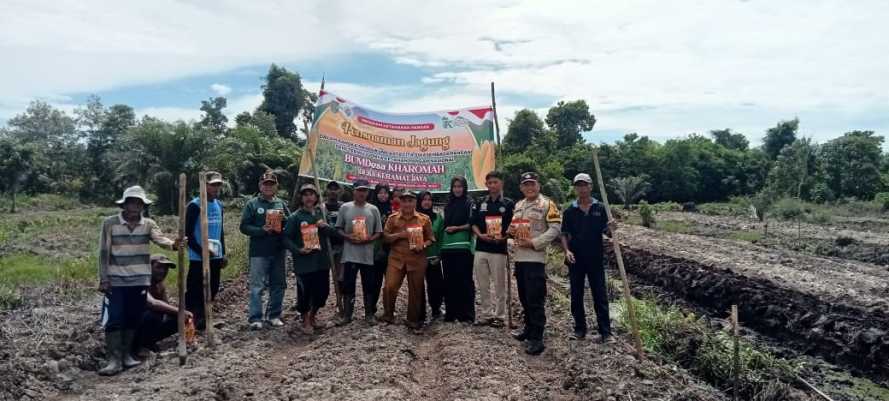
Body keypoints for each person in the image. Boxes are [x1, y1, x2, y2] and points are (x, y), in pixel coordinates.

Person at [97, 186, 179, 376]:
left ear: (143, 206)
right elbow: (103, 252)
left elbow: (160, 240)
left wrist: (174, 245)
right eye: (131, 202)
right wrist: (103, 278)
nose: (135, 206)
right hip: (116, 280)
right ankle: (113, 359)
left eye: (139, 203)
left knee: (132, 317)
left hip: (139, 280)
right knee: (115, 319)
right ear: (124, 204)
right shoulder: (109, 223)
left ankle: (127, 355)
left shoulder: (149, 224)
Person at [508, 172, 562, 355]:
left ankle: (537, 338)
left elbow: (555, 229)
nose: (529, 187)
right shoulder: (519, 205)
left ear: (538, 185)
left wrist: (534, 242)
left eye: (532, 184)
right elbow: (513, 228)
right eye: (526, 184)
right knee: (524, 298)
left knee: (535, 300)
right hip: (520, 259)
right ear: (521, 187)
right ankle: (528, 330)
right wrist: (510, 231)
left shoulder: (547, 204)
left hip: (535, 259)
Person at [561, 173, 616, 343]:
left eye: (584, 185)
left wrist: (612, 229)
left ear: (591, 186)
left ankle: (606, 332)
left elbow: (607, 231)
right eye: (578, 185)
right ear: (575, 188)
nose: (581, 188)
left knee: (600, 294)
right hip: (576, 258)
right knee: (576, 294)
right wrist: (566, 251)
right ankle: (579, 329)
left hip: (595, 257)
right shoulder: (570, 210)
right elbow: (564, 233)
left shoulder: (600, 208)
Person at [283, 184, 337, 335]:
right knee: (305, 293)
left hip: (322, 261)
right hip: (305, 263)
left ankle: (313, 316)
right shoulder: (295, 217)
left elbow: (332, 232)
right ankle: (305, 320)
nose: (308, 197)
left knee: (323, 292)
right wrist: (298, 250)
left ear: (316, 197)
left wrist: (324, 225)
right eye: (305, 194)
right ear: (301, 198)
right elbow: (286, 238)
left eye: (311, 194)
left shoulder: (322, 214)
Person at [240, 172, 289, 330]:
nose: (268, 187)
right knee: (257, 286)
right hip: (258, 252)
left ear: (276, 187)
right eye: (265, 184)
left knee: (279, 284)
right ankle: (255, 318)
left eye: (271, 184)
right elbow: (244, 227)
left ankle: (274, 315)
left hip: (278, 250)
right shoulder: (252, 204)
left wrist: (283, 222)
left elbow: (290, 222)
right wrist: (261, 230)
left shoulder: (280, 204)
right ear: (260, 186)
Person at [380, 191, 434, 331]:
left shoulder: (424, 219)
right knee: (390, 286)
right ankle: (388, 314)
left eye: (410, 201)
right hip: (396, 258)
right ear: (400, 202)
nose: (407, 204)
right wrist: (399, 235)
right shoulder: (393, 219)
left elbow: (431, 239)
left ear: (415, 202)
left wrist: (423, 245)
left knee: (416, 290)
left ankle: (413, 319)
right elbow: (385, 237)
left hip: (417, 259)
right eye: (404, 201)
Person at [335, 179, 384, 325]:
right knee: (348, 284)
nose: (362, 193)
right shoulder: (345, 208)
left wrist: (369, 239)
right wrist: (348, 236)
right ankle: (347, 315)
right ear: (353, 191)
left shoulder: (373, 209)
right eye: (359, 190)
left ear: (368, 192)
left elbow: (379, 232)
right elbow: (338, 228)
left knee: (369, 284)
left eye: (364, 190)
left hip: (367, 254)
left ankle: (369, 314)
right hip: (350, 253)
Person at [470, 171, 514, 327]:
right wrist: (480, 236)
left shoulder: (508, 204)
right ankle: (487, 314)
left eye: (495, 182)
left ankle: (500, 316)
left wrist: (504, 237)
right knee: (483, 284)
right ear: (486, 184)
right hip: (481, 247)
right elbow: (473, 223)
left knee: (499, 284)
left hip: (499, 249)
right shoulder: (479, 201)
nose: (493, 185)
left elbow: (512, 226)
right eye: (490, 183)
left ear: (501, 183)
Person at [185, 171, 227, 330]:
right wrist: (201, 251)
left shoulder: (219, 205)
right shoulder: (195, 206)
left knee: (213, 287)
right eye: (213, 185)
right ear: (204, 185)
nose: (216, 188)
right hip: (198, 257)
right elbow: (187, 234)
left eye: (218, 185)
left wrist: (223, 253)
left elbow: (220, 231)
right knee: (195, 290)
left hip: (215, 255)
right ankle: (190, 321)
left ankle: (203, 319)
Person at [133, 255, 193, 355]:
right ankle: (141, 346)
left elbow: (166, 307)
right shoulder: (140, 281)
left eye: (165, 268)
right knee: (153, 315)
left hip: (147, 325)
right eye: (159, 267)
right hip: (131, 329)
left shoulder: (160, 285)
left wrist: (184, 317)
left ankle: (149, 342)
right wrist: (180, 311)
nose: (163, 271)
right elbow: (152, 303)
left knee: (177, 317)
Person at [441, 176, 476, 323]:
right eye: (455, 186)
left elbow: (472, 224)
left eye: (460, 186)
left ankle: (466, 315)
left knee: (465, 280)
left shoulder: (469, 203)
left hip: (464, 247)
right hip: (448, 248)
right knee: (449, 281)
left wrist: (457, 228)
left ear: (465, 187)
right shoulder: (448, 205)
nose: (457, 189)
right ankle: (450, 313)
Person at [417, 191, 445, 322]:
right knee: (418, 286)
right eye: (424, 199)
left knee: (436, 285)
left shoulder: (438, 218)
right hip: (417, 257)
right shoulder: (414, 217)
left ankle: (436, 309)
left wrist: (439, 255)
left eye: (429, 199)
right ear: (419, 201)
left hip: (433, 257)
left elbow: (441, 238)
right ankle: (419, 312)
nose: (427, 202)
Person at [369, 183, 393, 319]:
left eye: (385, 192)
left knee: (390, 283)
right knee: (375, 281)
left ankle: (388, 310)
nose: (383, 195)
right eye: (380, 192)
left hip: (390, 250)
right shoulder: (371, 209)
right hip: (375, 250)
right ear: (376, 194)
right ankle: (371, 308)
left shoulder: (392, 209)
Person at [322, 181, 345, 315]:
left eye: (335, 189)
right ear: (326, 191)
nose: (333, 191)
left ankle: (340, 302)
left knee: (340, 277)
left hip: (341, 245)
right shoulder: (321, 206)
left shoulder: (344, 207)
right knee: (322, 276)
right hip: (325, 246)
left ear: (339, 191)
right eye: (330, 189)